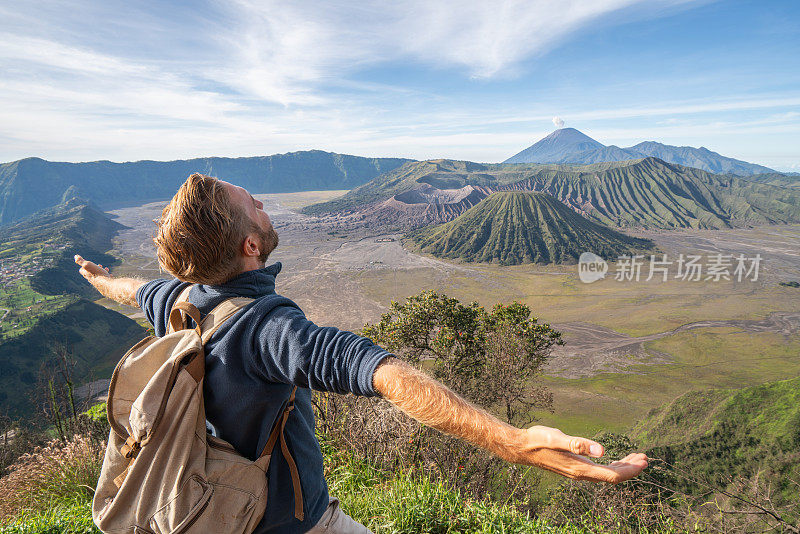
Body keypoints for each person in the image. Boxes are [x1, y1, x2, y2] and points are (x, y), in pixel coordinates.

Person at [75, 173, 648, 534]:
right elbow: (381, 373)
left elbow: (135, 290)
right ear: (252, 246)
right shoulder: (268, 330)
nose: (265, 203)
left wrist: (99, 278)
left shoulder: (179, 301)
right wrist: (512, 441)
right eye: (255, 204)